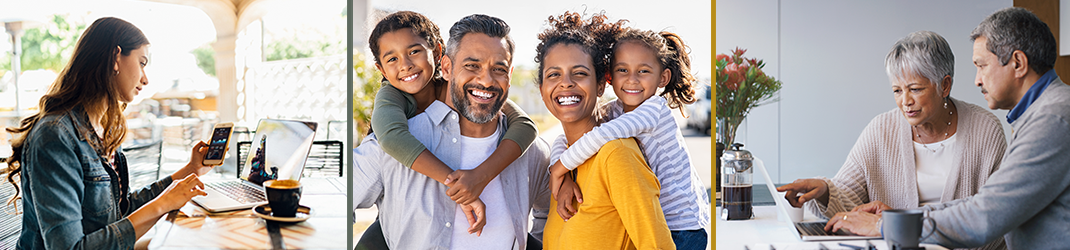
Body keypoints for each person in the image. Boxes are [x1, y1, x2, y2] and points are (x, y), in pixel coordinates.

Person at [829, 8, 1070, 250]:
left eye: (982, 65)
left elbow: (985, 216)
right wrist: (897, 219)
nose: (977, 79)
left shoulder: (1053, 119)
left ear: (1017, 63)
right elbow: (983, 204)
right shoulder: (1045, 113)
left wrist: (885, 226)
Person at [777, 30, 1008, 250]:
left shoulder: (985, 129)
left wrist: (904, 230)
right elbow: (851, 196)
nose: (905, 101)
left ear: (944, 85)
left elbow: (995, 216)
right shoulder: (881, 129)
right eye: (897, 91)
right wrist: (825, 190)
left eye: (915, 89)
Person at [3, 17, 214, 250]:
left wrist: (190, 171)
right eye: (142, 63)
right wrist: (162, 204)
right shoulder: (56, 136)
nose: (145, 78)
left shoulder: (104, 129)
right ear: (116, 57)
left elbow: (120, 209)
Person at [353, 14, 551, 249]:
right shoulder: (386, 142)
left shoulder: (532, 153)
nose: (486, 80)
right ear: (447, 67)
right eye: (471, 66)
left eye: (499, 68)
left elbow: (554, 214)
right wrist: (455, 183)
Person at [546, 26, 710, 249]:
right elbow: (564, 140)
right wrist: (562, 173)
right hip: (660, 218)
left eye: (643, 71)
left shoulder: (654, 110)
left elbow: (600, 135)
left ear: (663, 77)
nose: (632, 80)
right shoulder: (616, 111)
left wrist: (558, 168)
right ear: (610, 77)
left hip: (682, 226)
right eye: (623, 70)